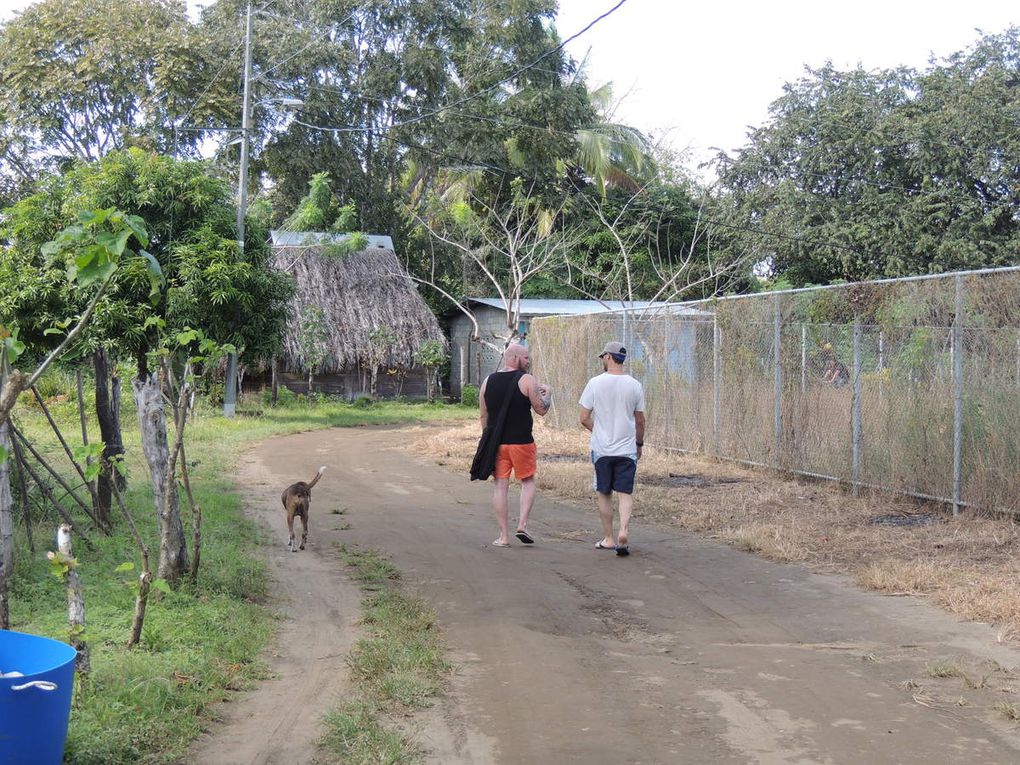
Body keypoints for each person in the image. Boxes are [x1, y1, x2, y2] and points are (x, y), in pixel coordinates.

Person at [478, 343, 552, 547]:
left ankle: (503, 537)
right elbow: (542, 410)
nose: (528, 362)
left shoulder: (487, 381)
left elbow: (483, 414)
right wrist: (548, 394)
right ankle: (522, 525)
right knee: (527, 481)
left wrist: (488, 439)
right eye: (526, 358)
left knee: (500, 486)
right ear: (514, 357)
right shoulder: (527, 380)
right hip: (522, 443)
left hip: (497, 444)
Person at [579, 340, 646, 557]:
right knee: (625, 492)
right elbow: (640, 420)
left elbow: (583, 417)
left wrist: (598, 431)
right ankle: (624, 531)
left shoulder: (595, 383)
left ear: (608, 357)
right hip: (626, 449)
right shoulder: (635, 385)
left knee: (604, 492)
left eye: (603, 357)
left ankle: (609, 538)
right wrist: (638, 444)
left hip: (602, 450)